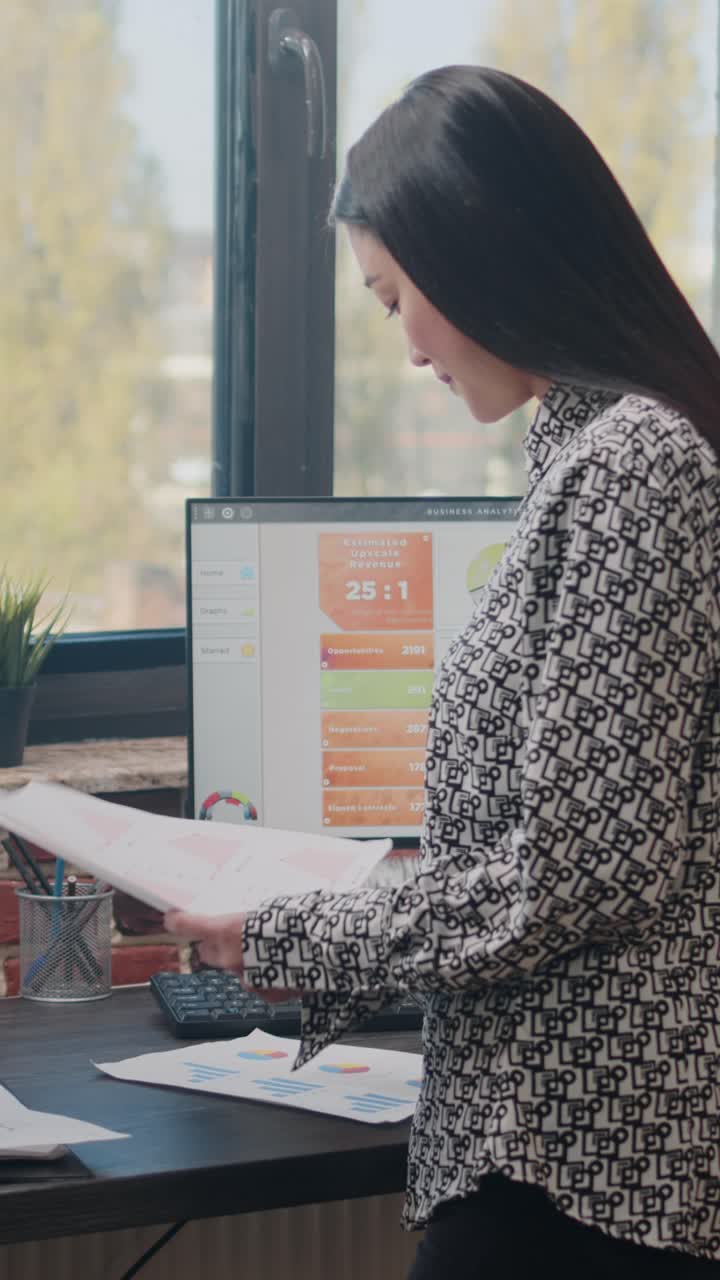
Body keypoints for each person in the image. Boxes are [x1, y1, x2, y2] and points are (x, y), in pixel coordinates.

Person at [166, 66, 720, 1276]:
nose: (407, 345)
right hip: (552, 1145)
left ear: (484, 257)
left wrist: (296, 933)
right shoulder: (586, 455)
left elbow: (586, 872)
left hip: (592, 1161)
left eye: (394, 298)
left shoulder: (634, 462)